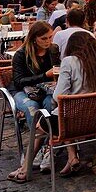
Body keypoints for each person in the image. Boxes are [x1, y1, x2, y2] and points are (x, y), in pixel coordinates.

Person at [49, 31, 96, 175]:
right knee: (59, 118)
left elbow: (58, 96)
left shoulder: (69, 62)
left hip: (73, 121)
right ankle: (71, 156)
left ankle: (30, 164)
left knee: (41, 124)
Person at [7, 23, 60, 182]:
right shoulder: (21, 54)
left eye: (50, 37)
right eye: (44, 38)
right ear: (34, 39)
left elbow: (58, 69)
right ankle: (34, 150)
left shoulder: (53, 49)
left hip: (46, 90)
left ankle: (46, 148)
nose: (48, 41)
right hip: (23, 91)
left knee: (51, 105)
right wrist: (45, 75)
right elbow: (18, 81)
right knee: (32, 108)